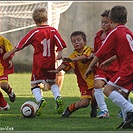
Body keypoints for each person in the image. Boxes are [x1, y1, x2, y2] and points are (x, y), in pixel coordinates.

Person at [3, 7, 67, 116]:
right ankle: (58, 97)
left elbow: (21, 44)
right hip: (51, 61)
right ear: (46, 18)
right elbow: (60, 43)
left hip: (39, 63)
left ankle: (40, 100)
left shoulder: (34, 32)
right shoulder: (53, 30)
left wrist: (9, 53)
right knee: (52, 82)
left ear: (34, 20)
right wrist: (60, 53)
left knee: (34, 84)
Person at [84, 5, 133, 129]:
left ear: (110, 21)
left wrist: (90, 66)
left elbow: (100, 53)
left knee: (108, 90)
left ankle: (131, 110)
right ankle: (128, 120)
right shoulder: (128, 32)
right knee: (123, 95)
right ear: (126, 21)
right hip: (130, 65)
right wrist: (110, 60)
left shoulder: (114, 33)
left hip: (128, 67)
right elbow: (125, 51)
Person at [49, 31, 97, 118]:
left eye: (78, 40)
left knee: (95, 94)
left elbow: (86, 57)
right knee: (84, 103)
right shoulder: (72, 56)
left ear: (85, 42)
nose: (76, 42)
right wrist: (57, 70)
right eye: (74, 41)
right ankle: (69, 109)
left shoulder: (90, 50)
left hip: (95, 80)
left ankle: (94, 107)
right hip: (84, 83)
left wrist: (72, 60)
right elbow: (65, 65)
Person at [93, 10, 120, 118]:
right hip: (102, 68)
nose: (103, 25)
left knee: (120, 90)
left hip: (116, 67)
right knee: (97, 85)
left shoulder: (115, 35)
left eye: (106, 22)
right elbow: (97, 52)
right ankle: (104, 111)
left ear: (112, 22)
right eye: (102, 22)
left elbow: (119, 53)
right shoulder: (97, 36)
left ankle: (125, 109)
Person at [0, 35, 16, 111]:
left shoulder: (2, 40)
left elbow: (9, 49)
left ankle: (10, 91)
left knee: (3, 85)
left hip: (1, 67)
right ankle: (4, 105)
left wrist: (10, 59)